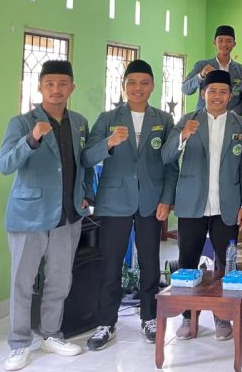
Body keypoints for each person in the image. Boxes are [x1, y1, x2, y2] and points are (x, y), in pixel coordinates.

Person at [0, 60, 93, 371]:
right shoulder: (22, 123)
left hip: (68, 215)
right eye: (49, 83)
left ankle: (51, 334)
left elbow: (84, 164)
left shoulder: (79, 122)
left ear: (72, 87)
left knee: (59, 280)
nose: (56, 89)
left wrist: (87, 193)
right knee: (22, 283)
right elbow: (4, 164)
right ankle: (19, 343)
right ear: (40, 86)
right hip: (29, 216)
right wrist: (31, 140)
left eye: (62, 83)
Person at [82, 60, 177, 350]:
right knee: (111, 264)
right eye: (132, 83)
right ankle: (106, 323)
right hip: (114, 202)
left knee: (150, 262)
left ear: (152, 86)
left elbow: (171, 163)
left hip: (150, 201)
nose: (138, 88)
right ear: (123, 86)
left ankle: (149, 317)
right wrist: (108, 143)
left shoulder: (163, 119)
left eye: (144, 83)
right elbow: (87, 158)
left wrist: (167, 199)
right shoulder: (107, 118)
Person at [162, 70, 242, 342]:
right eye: (212, 91)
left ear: (230, 95)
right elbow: (166, 156)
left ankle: (222, 317)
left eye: (223, 92)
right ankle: (188, 316)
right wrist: (182, 136)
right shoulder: (187, 120)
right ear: (203, 93)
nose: (217, 96)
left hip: (228, 205)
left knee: (227, 264)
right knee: (187, 262)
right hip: (192, 203)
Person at [182, 25, 242, 115]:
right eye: (220, 40)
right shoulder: (201, 65)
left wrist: (233, 114)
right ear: (214, 42)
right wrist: (201, 76)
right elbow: (185, 89)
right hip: (204, 118)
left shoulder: (241, 70)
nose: (224, 44)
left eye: (229, 41)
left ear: (234, 44)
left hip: (230, 120)